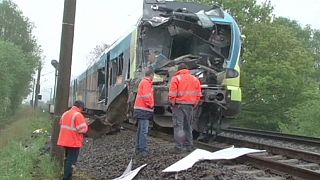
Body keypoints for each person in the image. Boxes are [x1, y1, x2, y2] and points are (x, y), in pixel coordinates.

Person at [169, 63, 202, 152]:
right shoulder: (195, 79)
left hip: (178, 105)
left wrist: (172, 103)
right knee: (188, 126)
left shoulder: (176, 78)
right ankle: (189, 146)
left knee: (178, 126)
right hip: (190, 106)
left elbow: (172, 94)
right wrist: (195, 104)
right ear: (187, 70)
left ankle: (179, 147)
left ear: (179, 70)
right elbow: (199, 94)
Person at [57, 100, 88, 180]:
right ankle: (67, 177)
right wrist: (85, 123)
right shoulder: (78, 115)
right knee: (71, 162)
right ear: (80, 107)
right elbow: (82, 129)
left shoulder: (65, 113)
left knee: (67, 159)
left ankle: (66, 175)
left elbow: (61, 123)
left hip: (64, 141)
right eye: (82, 108)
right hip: (73, 142)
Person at [133, 67, 155, 157]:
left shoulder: (144, 82)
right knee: (144, 131)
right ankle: (142, 150)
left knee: (140, 130)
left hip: (141, 109)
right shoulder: (146, 83)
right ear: (151, 75)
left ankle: (138, 148)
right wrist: (151, 105)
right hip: (144, 109)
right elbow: (147, 96)